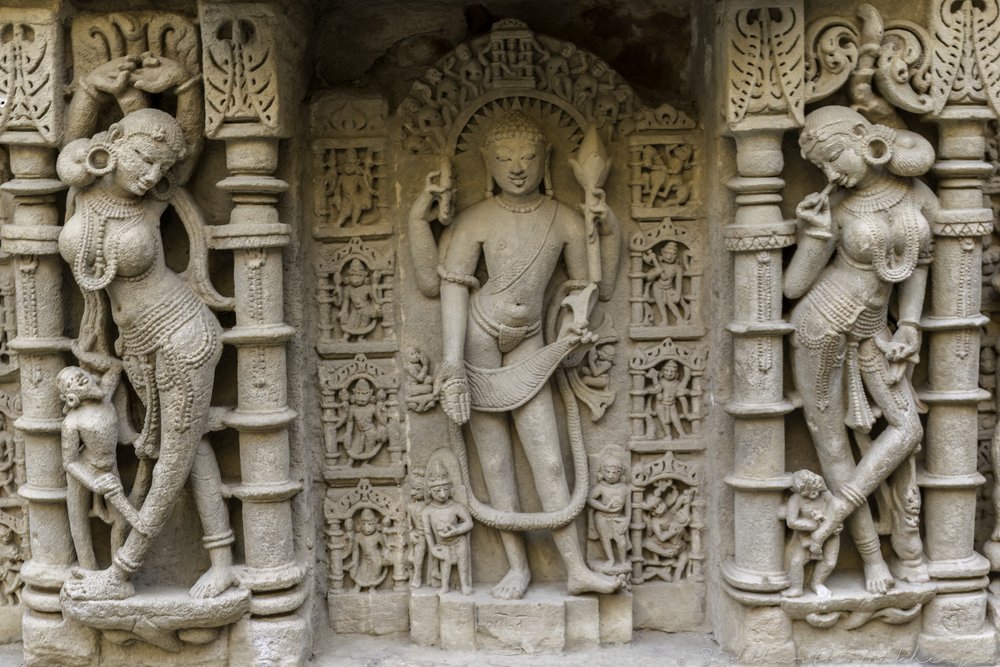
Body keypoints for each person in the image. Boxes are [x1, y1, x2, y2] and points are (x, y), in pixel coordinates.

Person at [409, 111, 621, 599]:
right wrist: (453, 364)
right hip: (478, 338)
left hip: (529, 341)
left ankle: (575, 567)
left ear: (546, 161)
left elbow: (595, 286)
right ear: (488, 163)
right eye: (504, 159)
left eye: (528, 157)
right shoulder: (475, 220)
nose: (517, 168)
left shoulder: (566, 220)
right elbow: (446, 287)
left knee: (548, 459)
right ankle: (516, 568)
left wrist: (603, 225)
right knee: (496, 463)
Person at [56, 54, 235, 601]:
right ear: (113, 147)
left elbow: (191, 143)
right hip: (137, 345)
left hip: (183, 334)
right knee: (184, 445)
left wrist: (184, 84)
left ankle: (123, 572)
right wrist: (90, 88)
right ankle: (222, 557)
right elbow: (66, 152)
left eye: (163, 167)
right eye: (144, 160)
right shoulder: (85, 186)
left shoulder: (152, 200)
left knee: (175, 454)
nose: (153, 175)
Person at [785, 105, 936, 594]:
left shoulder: (915, 195)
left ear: (863, 139)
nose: (830, 174)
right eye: (821, 168)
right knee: (831, 444)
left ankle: (833, 514)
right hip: (820, 326)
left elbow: (923, 264)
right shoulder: (838, 209)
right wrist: (815, 233)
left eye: (833, 159)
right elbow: (792, 288)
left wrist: (910, 325)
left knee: (907, 427)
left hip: (875, 331)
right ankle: (872, 561)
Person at [783, 470, 840, 599]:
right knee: (797, 561)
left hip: (831, 534)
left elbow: (837, 510)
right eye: (808, 490)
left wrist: (837, 524)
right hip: (808, 536)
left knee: (830, 562)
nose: (814, 493)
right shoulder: (796, 499)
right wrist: (812, 525)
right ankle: (796, 588)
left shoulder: (825, 496)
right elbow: (791, 522)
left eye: (815, 488)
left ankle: (817, 583)